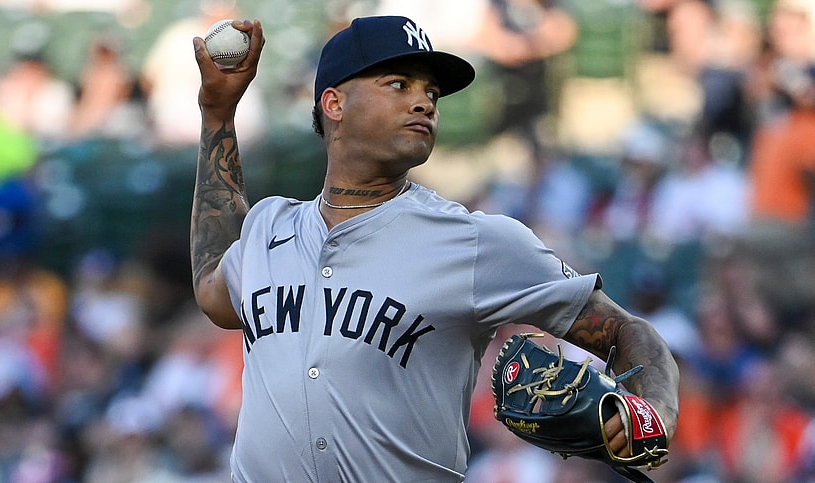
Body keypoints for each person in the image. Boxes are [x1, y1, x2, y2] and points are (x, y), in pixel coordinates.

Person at [190, 16, 679, 481]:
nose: (424, 102)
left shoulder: (476, 241)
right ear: (334, 103)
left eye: (431, 93)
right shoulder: (268, 228)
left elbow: (624, 330)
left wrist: (655, 409)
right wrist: (218, 113)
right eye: (399, 85)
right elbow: (213, 281)